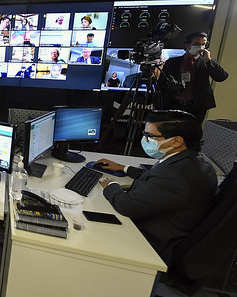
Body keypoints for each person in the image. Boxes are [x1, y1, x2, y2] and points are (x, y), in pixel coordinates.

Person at [96, 110, 217, 265]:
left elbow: (126, 206)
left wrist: (111, 186)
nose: (145, 140)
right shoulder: (194, 161)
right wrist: (124, 168)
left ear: (176, 141)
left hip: (152, 241)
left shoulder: (175, 176)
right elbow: (156, 178)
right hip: (169, 225)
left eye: (150, 136)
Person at [159, 31, 228, 122]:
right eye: (197, 44)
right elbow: (161, 83)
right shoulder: (172, 62)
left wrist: (208, 61)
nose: (201, 47)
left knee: (192, 131)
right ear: (187, 45)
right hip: (173, 105)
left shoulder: (207, 63)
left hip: (196, 108)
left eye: (203, 44)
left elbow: (221, 77)